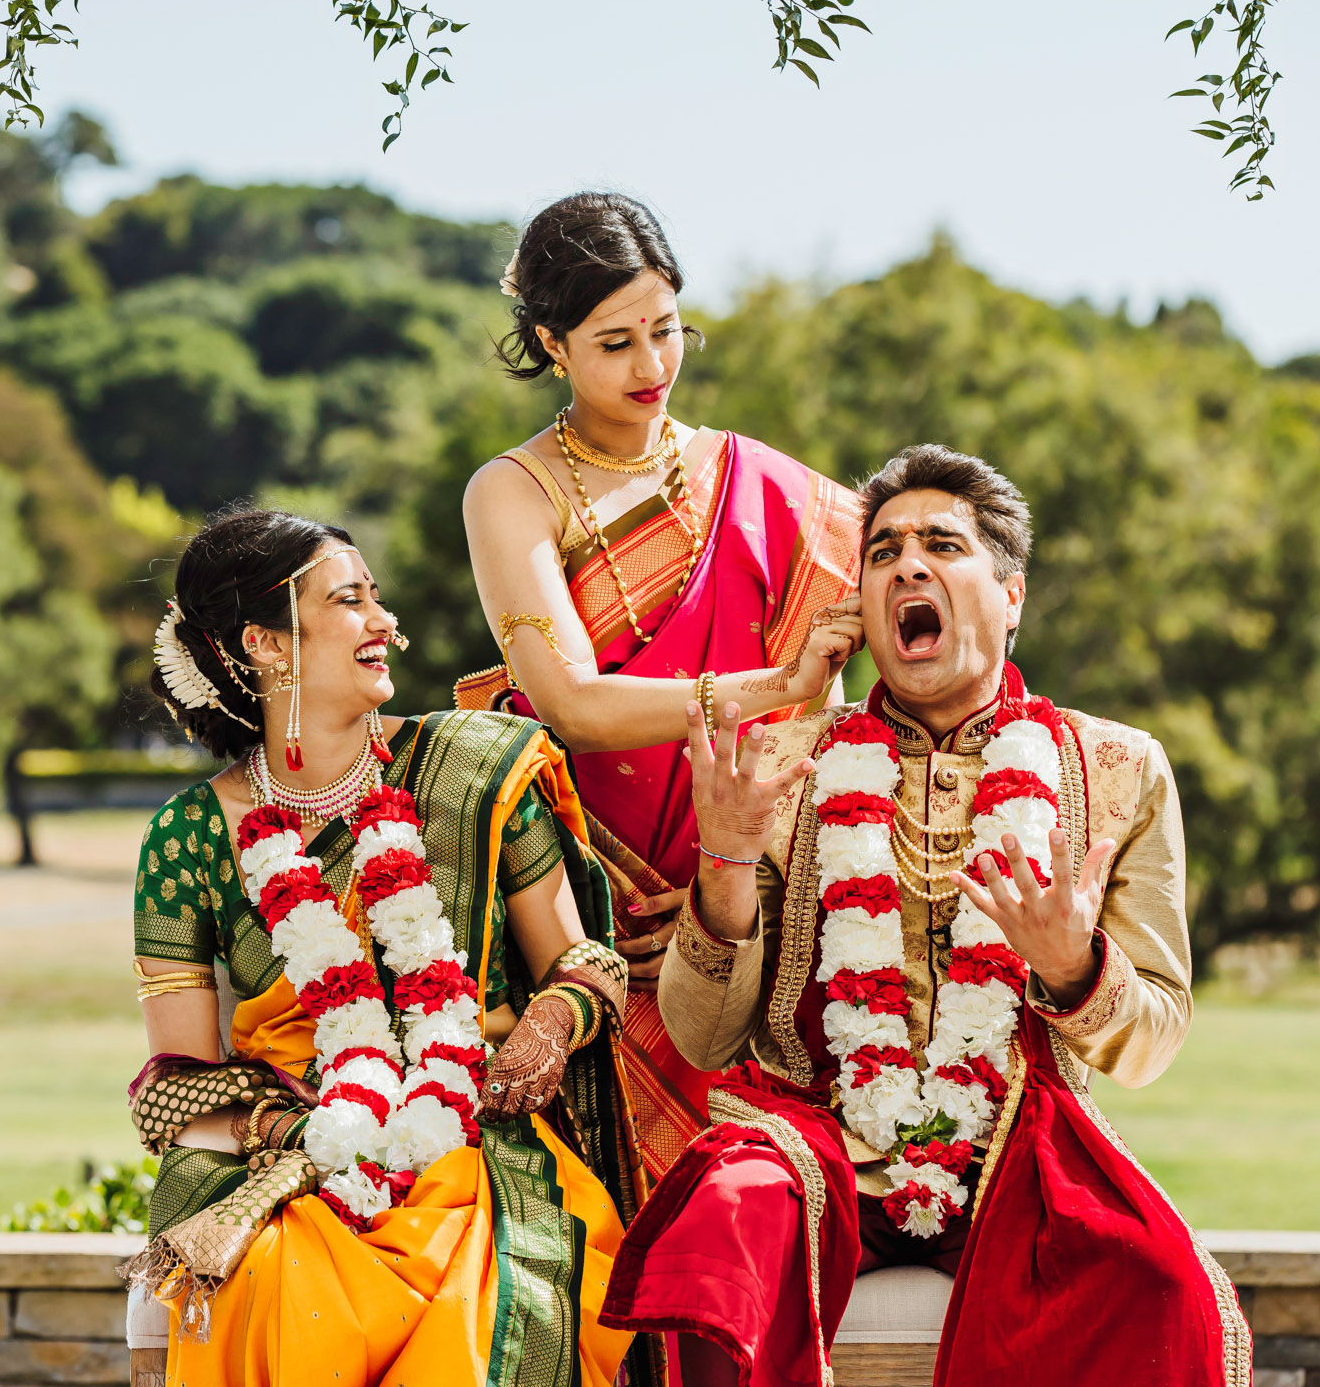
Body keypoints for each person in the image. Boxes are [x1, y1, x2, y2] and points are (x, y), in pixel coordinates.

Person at [601, 445, 1250, 1387]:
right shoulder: (783, 763)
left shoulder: (1118, 770)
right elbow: (704, 1040)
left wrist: (1074, 967)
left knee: (1157, 1280)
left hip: (1019, 1152)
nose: (907, 564)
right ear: (862, 605)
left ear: (1012, 593)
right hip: (814, 1134)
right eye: (883, 551)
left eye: (942, 544)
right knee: (720, 1219)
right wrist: (729, 855)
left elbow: (1151, 1041)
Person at [120, 507, 650, 1387]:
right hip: (292, 1162)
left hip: (479, 1147)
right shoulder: (190, 838)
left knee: (475, 1320)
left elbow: (587, 960)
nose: (386, 625)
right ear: (267, 644)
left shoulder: (476, 768)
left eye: (378, 598)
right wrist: (321, 1134)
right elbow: (180, 1085)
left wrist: (549, 1024)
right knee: (290, 1293)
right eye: (351, 602)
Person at [461, 192, 864, 1175]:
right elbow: (573, 706)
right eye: (614, 343)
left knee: (746, 1202)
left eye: (667, 331)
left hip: (743, 901)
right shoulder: (515, 491)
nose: (652, 367)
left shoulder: (758, 481)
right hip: (577, 904)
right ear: (552, 344)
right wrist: (772, 684)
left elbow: (901, 589)